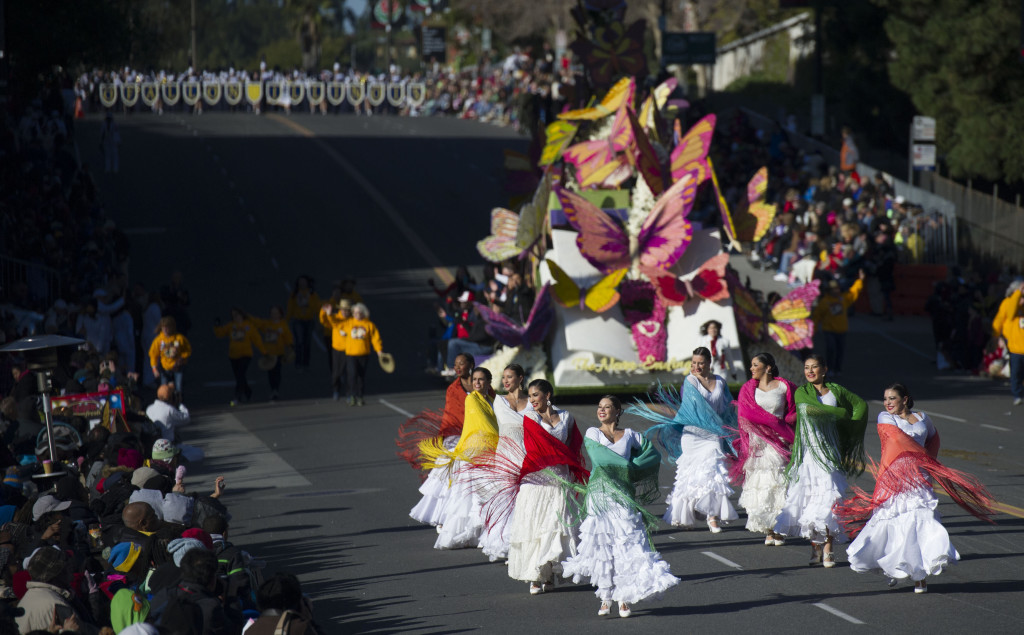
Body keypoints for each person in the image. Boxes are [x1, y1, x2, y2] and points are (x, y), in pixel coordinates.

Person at [838, 383, 994, 593]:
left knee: (922, 521)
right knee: (893, 525)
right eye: (885, 399)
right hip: (894, 478)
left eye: (892, 398)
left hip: (919, 478)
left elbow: (934, 438)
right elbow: (897, 439)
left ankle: (919, 574)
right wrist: (921, 455)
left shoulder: (923, 417)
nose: (887, 403)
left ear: (905, 399)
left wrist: (929, 462)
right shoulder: (886, 418)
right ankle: (892, 566)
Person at [562, 396, 678, 618]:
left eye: (607, 407)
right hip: (600, 497)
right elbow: (602, 460)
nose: (602, 410)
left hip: (623, 497)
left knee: (626, 546)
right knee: (603, 548)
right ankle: (605, 596)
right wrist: (627, 466)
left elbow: (651, 455)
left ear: (617, 411)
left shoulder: (631, 436)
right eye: (599, 407)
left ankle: (623, 597)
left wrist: (632, 469)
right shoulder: (592, 434)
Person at [773, 355, 867, 568]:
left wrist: (850, 427)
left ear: (824, 369)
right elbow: (812, 410)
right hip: (808, 455)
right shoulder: (801, 393)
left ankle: (828, 549)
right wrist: (839, 412)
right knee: (811, 501)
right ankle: (815, 547)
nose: (810, 371)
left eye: (815, 367)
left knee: (829, 501)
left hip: (830, 453)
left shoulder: (837, 391)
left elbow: (859, 404)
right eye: (807, 368)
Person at [632, 347, 738, 533]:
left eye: (701, 363)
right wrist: (715, 425)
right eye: (694, 363)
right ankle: (686, 515)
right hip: (693, 435)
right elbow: (694, 408)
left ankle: (712, 516)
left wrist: (730, 428)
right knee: (690, 476)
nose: (696, 366)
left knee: (713, 473)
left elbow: (727, 406)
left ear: (709, 363)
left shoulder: (720, 382)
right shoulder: (690, 381)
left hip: (713, 435)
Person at [505, 379, 587, 595]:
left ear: (547, 396)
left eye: (535, 395)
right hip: (537, 480)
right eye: (530, 396)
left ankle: (549, 573)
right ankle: (535, 574)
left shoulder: (567, 417)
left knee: (556, 528)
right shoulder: (530, 417)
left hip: (560, 479)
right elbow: (534, 448)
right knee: (536, 526)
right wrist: (558, 457)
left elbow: (573, 447)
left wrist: (569, 468)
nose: (531, 400)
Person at [422, 367, 499, 550]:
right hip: (474, 452)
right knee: (468, 497)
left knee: (484, 494)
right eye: (475, 380)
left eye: (481, 380)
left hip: (488, 451)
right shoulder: (472, 399)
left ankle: (480, 534)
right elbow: (487, 425)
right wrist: (502, 441)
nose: (477, 383)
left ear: (489, 382)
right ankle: (464, 532)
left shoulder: (492, 400)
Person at [734, 353, 796, 545]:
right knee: (760, 484)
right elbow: (745, 413)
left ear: (768, 368)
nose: (751, 368)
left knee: (778, 482)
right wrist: (769, 423)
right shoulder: (747, 389)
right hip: (757, 442)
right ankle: (768, 528)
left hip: (778, 440)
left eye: (755, 365)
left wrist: (782, 426)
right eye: (751, 365)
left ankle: (778, 526)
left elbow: (794, 412)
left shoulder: (785, 386)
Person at [408, 353, 475, 528]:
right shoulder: (453, 389)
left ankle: (469, 519)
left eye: (461, 364)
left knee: (471, 480)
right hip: (455, 436)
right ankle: (443, 517)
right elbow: (453, 415)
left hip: (477, 437)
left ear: (471, 365)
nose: (458, 367)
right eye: (455, 364)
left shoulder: (482, 385)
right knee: (449, 478)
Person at [479, 363, 529, 561]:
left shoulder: (533, 402)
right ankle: (505, 543)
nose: (506, 381)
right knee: (506, 499)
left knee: (525, 499)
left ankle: (524, 541)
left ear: (520, 378)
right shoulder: (497, 401)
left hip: (527, 455)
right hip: (506, 455)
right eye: (504, 377)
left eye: (510, 377)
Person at [811, 269, 865, 376]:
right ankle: (830, 368)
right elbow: (816, 316)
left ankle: (837, 369)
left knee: (840, 351)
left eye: (837, 288)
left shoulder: (843, 299)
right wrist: (814, 329)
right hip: (829, 330)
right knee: (831, 349)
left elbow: (853, 292)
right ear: (829, 290)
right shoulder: (824, 302)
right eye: (833, 289)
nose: (836, 291)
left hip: (841, 330)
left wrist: (860, 280)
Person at [214, 308, 266, 406]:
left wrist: (264, 351)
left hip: (246, 354)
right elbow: (220, 333)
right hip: (233, 355)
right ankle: (247, 391)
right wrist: (217, 326)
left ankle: (237, 395)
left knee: (240, 374)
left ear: (242, 315)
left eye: (237, 315)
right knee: (239, 376)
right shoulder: (231, 326)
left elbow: (256, 339)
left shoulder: (248, 326)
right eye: (233, 315)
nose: (236, 317)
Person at [345, 303, 386, 406]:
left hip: (363, 354)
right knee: (352, 374)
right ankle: (352, 395)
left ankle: (360, 396)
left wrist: (379, 351)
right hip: (351, 354)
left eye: (359, 312)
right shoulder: (348, 323)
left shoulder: (369, 325)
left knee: (361, 376)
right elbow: (335, 324)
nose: (357, 314)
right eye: (355, 312)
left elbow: (375, 339)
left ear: (363, 313)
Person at [251, 306, 294, 401]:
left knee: (277, 371)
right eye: (272, 313)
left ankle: (276, 390)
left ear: (280, 314)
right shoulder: (267, 324)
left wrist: (290, 346)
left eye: (276, 313)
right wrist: (247, 317)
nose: (274, 315)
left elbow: (288, 337)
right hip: (269, 353)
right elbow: (257, 322)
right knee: (270, 372)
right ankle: (273, 389)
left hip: (279, 352)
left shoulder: (283, 325)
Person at [992, 281, 1024, 406]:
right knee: (1016, 372)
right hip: (1015, 346)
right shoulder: (1008, 303)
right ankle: (1017, 394)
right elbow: (1008, 315)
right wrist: (995, 337)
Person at [148, 316, 191, 394]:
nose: (165, 330)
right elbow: (153, 355)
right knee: (164, 390)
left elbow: (187, 350)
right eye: (163, 327)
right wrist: (154, 369)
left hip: (177, 367)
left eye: (167, 327)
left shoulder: (179, 338)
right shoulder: (158, 340)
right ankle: (166, 403)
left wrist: (182, 358)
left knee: (178, 388)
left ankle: (178, 403)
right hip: (165, 369)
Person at [287, 275, 321, 372]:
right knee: (299, 342)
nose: (302, 283)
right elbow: (290, 307)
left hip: (309, 320)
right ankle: (298, 362)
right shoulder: (294, 294)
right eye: (300, 281)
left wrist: (319, 320)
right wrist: (286, 320)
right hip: (298, 320)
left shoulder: (312, 294)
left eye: (304, 281)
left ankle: (305, 363)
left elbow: (317, 307)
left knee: (307, 342)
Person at [319, 298, 352, 402]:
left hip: (350, 349)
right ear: (340, 309)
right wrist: (324, 312)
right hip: (337, 349)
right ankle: (336, 390)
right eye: (343, 309)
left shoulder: (352, 320)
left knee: (350, 373)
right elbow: (325, 321)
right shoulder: (334, 317)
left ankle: (349, 393)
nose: (345, 312)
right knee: (337, 373)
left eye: (347, 309)